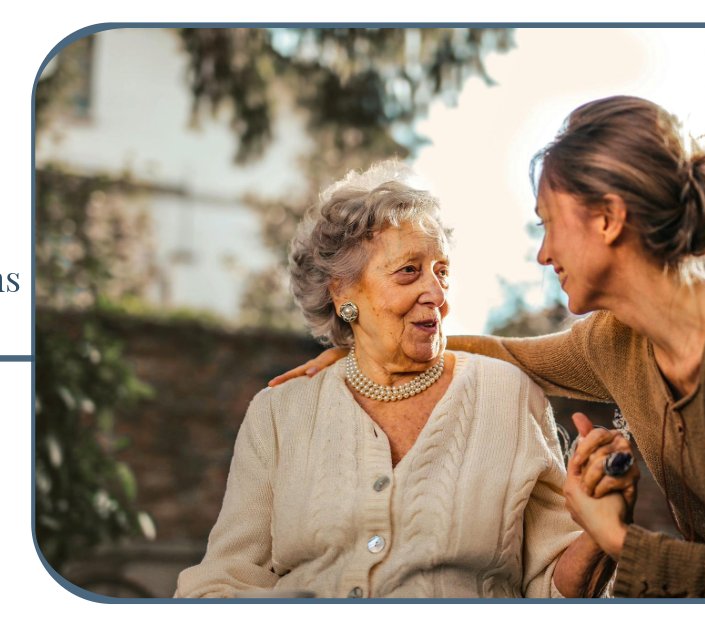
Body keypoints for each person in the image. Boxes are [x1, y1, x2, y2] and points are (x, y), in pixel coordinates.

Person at [270, 96, 705, 597]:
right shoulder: (615, 342)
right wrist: (371, 347)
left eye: (548, 223)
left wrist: (617, 538)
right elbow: (510, 353)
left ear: (609, 219)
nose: (544, 253)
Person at [175, 162, 622, 599]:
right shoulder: (279, 413)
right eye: (409, 270)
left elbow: (553, 591)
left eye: (442, 271)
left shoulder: (508, 396)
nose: (438, 294)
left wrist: (601, 533)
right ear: (343, 291)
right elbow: (223, 582)